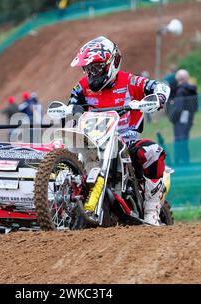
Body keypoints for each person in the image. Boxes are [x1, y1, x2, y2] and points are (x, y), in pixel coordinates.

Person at [67, 36, 171, 226]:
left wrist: (159, 97)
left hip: (125, 140)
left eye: (96, 68)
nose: (91, 73)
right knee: (65, 149)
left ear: (111, 63)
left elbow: (160, 86)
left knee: (152, 152)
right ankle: (62, 200)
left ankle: (151, 210)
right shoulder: (82, 85)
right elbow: (72, 103)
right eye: (88, 69)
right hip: (92, 142)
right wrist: (73, 109)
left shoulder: (129, 81)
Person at [167, 69, 198, 165]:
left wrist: (172, 117)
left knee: (179, 141)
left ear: (178, 79)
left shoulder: (181, 91)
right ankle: (185, 161)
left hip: (180, 120)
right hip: (189, 119)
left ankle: (180, 162)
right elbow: (196, 106)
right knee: (184, 140)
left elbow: (178, 108)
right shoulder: (192, 89)